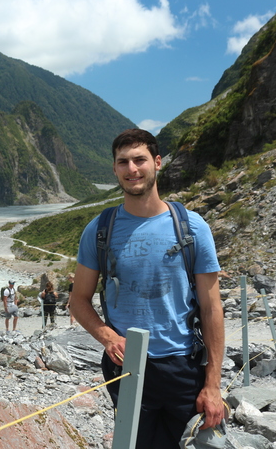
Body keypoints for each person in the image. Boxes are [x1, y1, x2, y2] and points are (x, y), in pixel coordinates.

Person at [70, 128, 224, 449]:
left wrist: (213, 384)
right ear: (114, 169)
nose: (132, 169)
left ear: (157, 163)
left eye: (140, 160)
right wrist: (109, 339)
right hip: (125, 367)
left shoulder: (192, 227)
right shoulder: (99, 230)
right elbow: (78, 300)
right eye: (123, 162)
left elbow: (212, 308)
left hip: (184, 365)